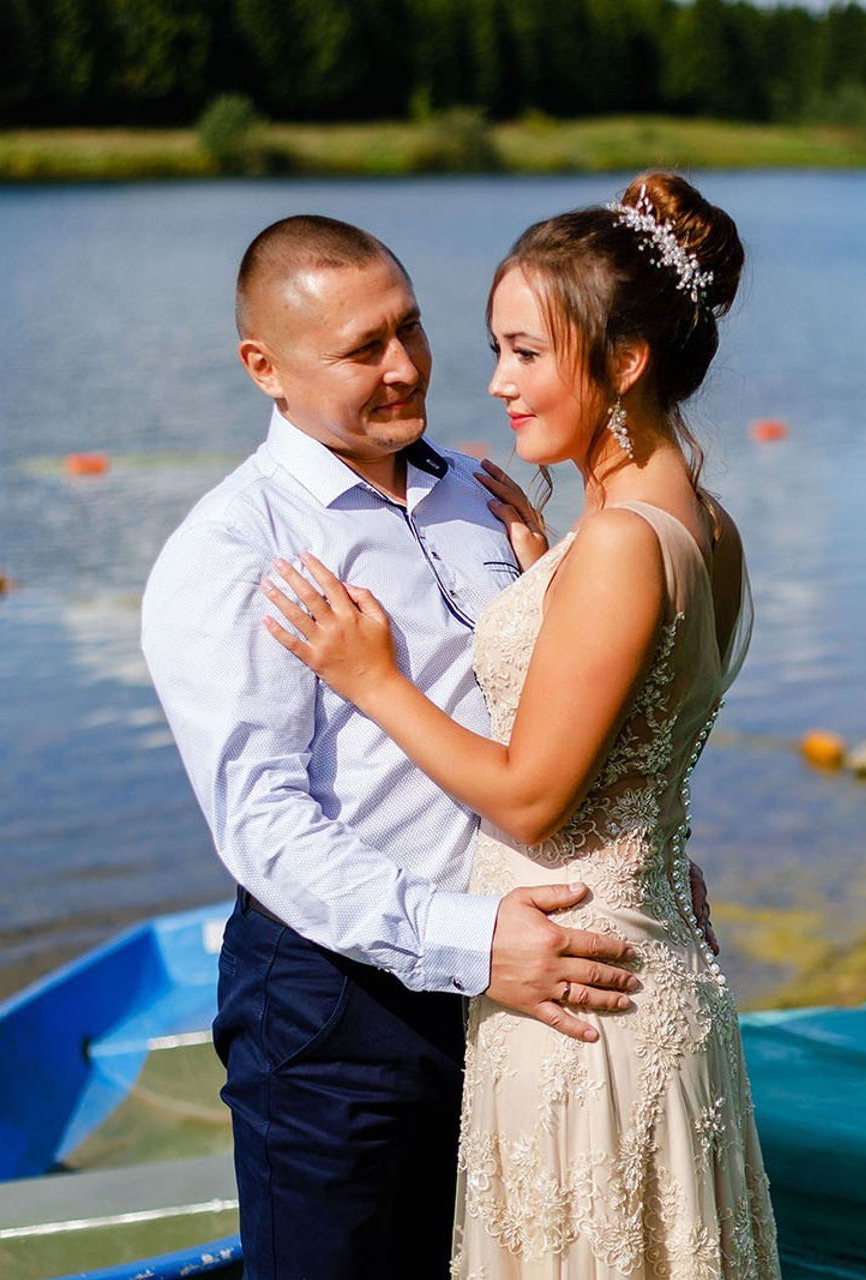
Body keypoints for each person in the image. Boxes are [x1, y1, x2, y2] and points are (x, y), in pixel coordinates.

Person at [260, 172, 782, 1278]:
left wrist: (372, 676)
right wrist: (540, 578)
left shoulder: (619, 548)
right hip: (644, 957)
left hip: (574, 1005)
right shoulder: (702, 523)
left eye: (525, 352)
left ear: (623, 363)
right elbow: (643, 701)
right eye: (495, 348)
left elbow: (533, 793)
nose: (494, 382)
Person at [140, 214, 648, 1280]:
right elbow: (264, 827)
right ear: (263, 368)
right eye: (362, 348)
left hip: (514, 982)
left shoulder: (478, 491)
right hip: (338, 1020)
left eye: (410, 327)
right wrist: (474, 943)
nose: (407, 365)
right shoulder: (233, 552)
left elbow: (538, 713)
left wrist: (618, 847)